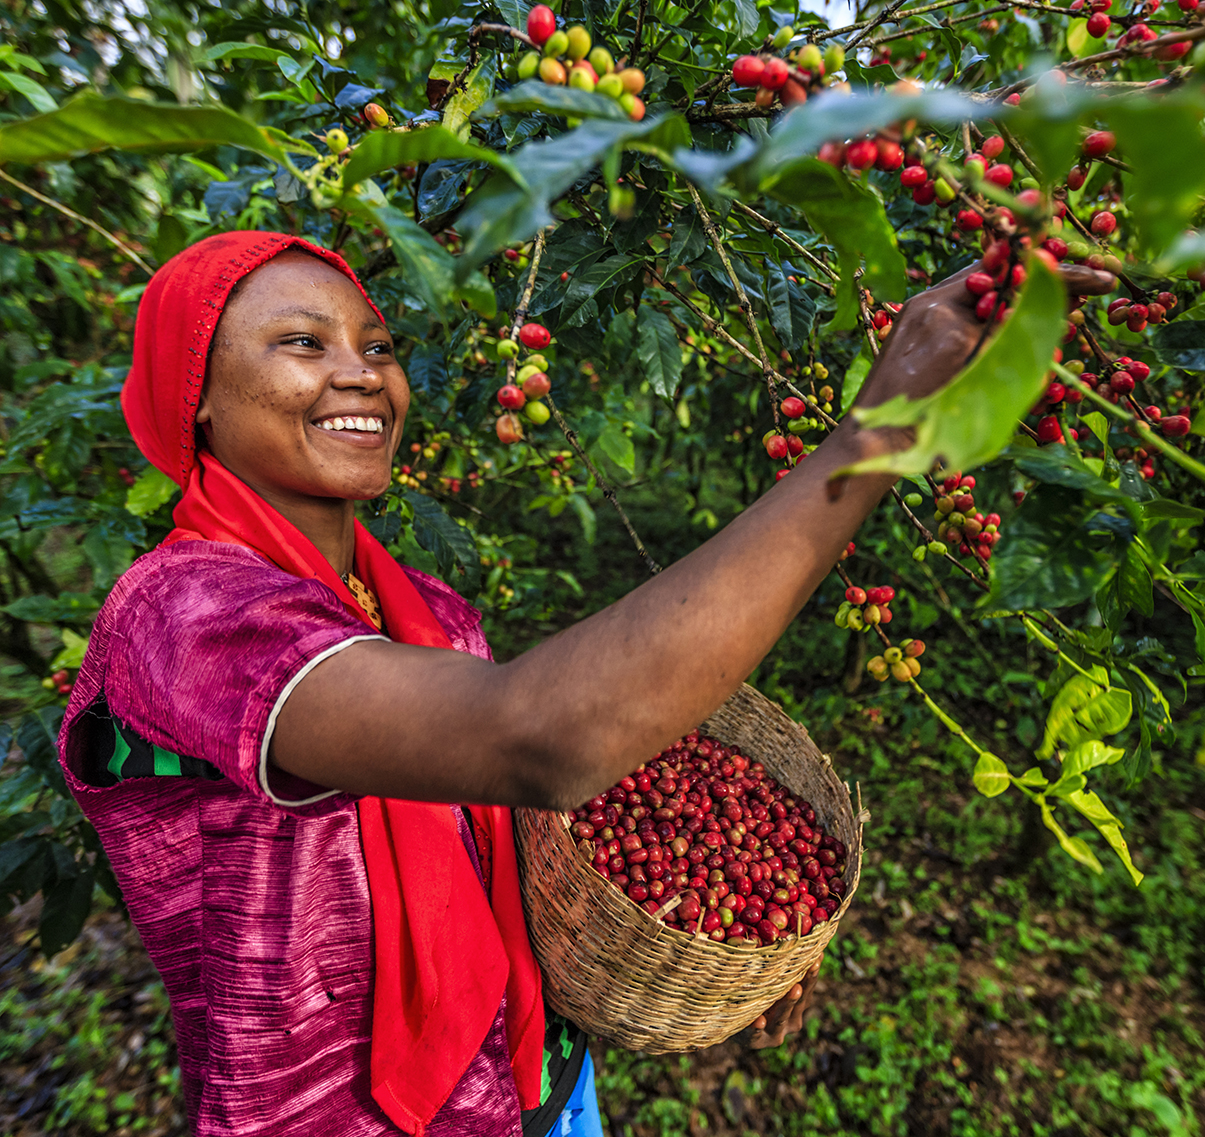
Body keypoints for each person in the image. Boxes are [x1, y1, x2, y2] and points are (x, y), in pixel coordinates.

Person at [58, 231, 1113, 1136]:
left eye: (377, 346)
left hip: (538, 1085)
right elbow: (541, 738)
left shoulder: (424, 607)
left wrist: (719, 947)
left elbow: (500, 844)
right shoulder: (180, 614)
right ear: (193, 398)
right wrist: (878, 428)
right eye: (303, 343)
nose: (363, 374)